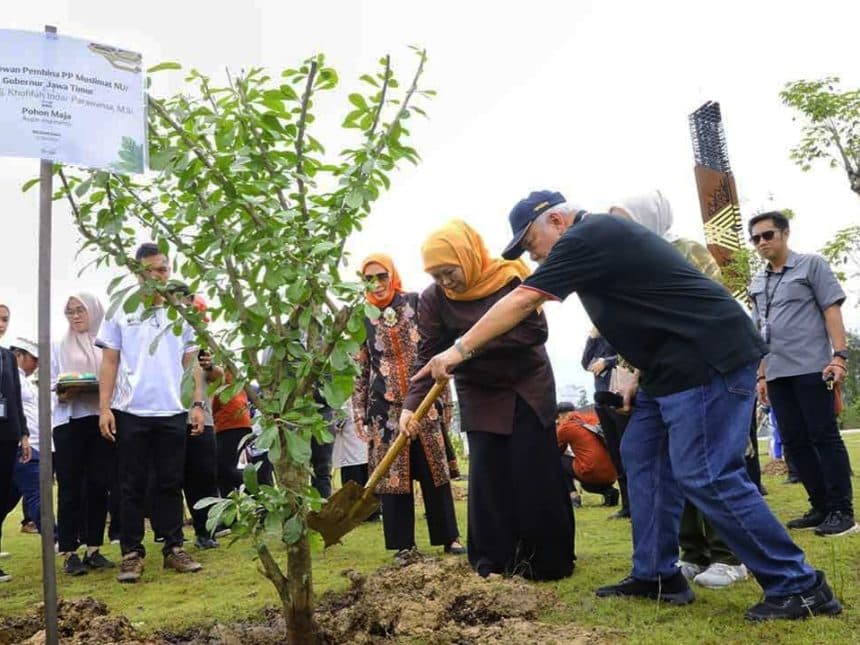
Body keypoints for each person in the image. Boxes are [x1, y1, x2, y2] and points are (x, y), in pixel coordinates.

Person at [414, 191, 838, 620]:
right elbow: (644, 307)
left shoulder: (588, 234)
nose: (532, 254)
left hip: (708, 358)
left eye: (530, 243)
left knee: (706, 474)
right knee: (643, 457)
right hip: (664, 370)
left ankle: (798, 585)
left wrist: (458, 350)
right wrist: (636, 372)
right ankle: (656, 574)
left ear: (557, 222)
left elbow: (524, 300)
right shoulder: (595, 243)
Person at [400, 224, 574, 580]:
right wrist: (410, 405)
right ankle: (493, 559)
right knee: (488, 474)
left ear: (467, 256)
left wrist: (464, 350)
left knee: (532, 472)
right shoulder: (434, 299)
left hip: (527, 387)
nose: (446, 282)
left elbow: (533, 331)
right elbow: (428, 355)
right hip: (479, 393)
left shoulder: (509, 281)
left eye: (450, 272)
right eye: (437, 276)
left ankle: (546, 560)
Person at [610, 191, 749, 590]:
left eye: (625, 220)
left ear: (648, 218)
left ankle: (729, 555)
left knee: (709, 466)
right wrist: (628, 370)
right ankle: (691, 552)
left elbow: (710, 307)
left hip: (703, 373)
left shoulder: (684, 251)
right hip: (662, 380)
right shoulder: (628, 268)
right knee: (666, 464)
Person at [96, 243, 205, 583]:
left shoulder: (181, 311)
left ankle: (173, 547)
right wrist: (104, 408)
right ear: (138, 272)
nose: (162, 275)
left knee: (171, 482)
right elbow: (110, 361)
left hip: (173, 409)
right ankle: (131, 553)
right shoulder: (119, 310)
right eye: (155, 270)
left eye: (165, 269)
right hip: (131, 410)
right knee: (131, 485)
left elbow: (191, 362)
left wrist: (197, 404)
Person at [749, 211, 857, 537]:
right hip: (777, 374)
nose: (761, 243)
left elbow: (831, 309)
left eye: (767, 235)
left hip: (812, 367)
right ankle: (821, 505)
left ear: (784, 234)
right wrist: (761, 376)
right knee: (795, 443)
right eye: (755, 239)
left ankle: (843, 512)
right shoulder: (757, 281)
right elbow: (759, 332)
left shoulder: (811, 265)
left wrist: (839, 356)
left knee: (823, 436)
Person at [353, 253, 464, 563]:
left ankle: (449, 537)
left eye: (381, 276)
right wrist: (359, 412)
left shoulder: (416, 303)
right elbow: (359, 369)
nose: (376, 284)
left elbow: (438, 351)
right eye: (369, 278)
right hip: (383, 408)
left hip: (425, 399)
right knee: (392, 477)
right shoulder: (361, 317)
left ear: (392, 275)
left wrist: (447, 398)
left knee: (435, 470)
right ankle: (403, 545)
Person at [51, 293, 116, 575]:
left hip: (99, 419)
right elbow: (51, 384)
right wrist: (63, 391)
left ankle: (93, 548)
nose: (76, 316)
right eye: (70, 312)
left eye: (81, 310)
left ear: (94, 311)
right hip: (69, 421)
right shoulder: (58, 347)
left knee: (99, 484)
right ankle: (68, 550)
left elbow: (116, 379)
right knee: (70, 487)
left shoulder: (107, 346)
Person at [0, 304, 32, 582]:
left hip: (7, 435)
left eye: (5, 319)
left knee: (5, 494)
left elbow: (15, 397)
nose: (1, 323)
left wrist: (23, 434)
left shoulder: (8, 358)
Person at [556, 402, 619, 508]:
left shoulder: (566, 427)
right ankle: (608, 491)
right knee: (585, 468)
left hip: (591, 473)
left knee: (558, 461)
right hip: (613, 474)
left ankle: (573, 497)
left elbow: (556, 451)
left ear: (560, 415)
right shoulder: (591, 419)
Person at [581, 327, 617, 393]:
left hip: (621, 386)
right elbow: (586, 364)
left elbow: (630, 357)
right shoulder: (597, 337)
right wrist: (592, 339)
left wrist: (606, 362)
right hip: (602, 390)